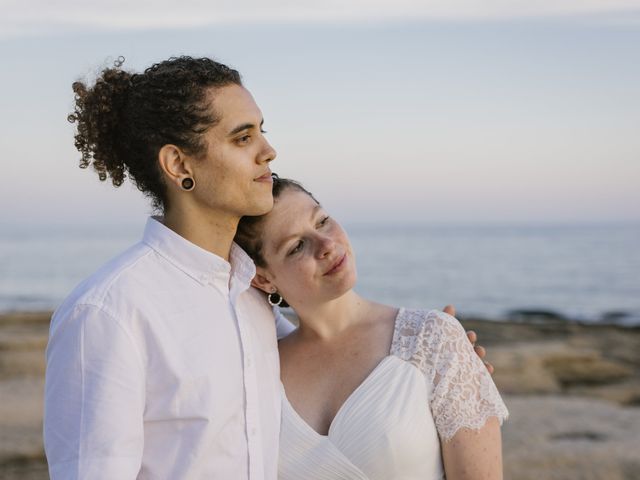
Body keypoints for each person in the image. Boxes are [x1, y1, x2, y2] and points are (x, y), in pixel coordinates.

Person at [45, 55, 494, 479]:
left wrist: (438, 363)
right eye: (243, 138)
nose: (269, 151)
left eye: (262, 131)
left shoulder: (251, 297)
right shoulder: (108, 314)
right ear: (178, 163)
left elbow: (334, 352)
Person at [235, 176, 509, 480]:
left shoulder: (433, 338)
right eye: (297, 246)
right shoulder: (258, 369)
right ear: (263, 279)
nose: (327, 245)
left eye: (322, 220)